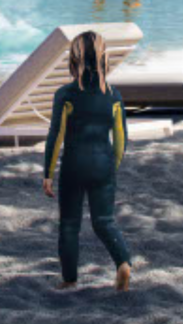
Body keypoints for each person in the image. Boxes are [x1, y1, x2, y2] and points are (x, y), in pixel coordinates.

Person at [42, 31, 134, 291]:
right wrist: (111, 168)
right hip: (103, 164)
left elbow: (55, 136)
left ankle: (69, 279)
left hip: (74, 165)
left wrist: (47, 173)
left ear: (73, 60)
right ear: (105, 59)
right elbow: (121, 139)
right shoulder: (114, 95)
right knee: (104, 221)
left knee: (69, 224)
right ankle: (123, 263)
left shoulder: (66, 94)